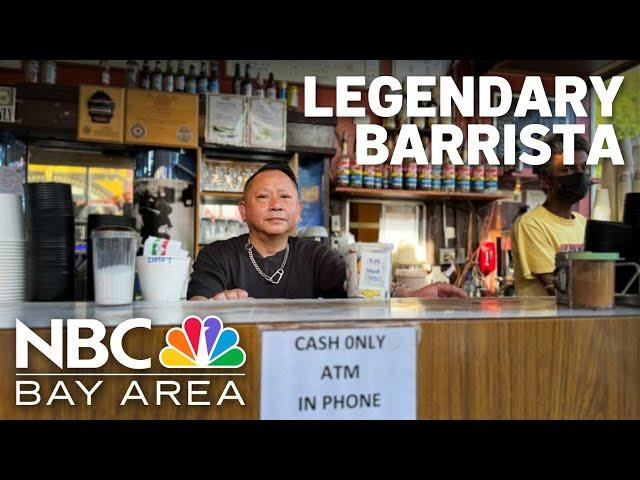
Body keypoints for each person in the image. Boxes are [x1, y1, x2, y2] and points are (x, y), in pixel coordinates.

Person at [188, 162, 467, 301]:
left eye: (285, 198)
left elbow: (358, 281)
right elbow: (198, 309)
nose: (275, 206)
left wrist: (411, 296)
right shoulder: (216, 255)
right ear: (243, 210)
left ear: (298, 211)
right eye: (263, 198)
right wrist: (215, 308)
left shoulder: (314, 255)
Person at [511, 133, 591, 297]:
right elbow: (560, 288)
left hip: (577, 320)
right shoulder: (531, 224)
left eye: (584, 168)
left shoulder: (584, 224)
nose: (580, 175)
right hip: (544, 322)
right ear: (545, 180)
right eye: (567, 169)